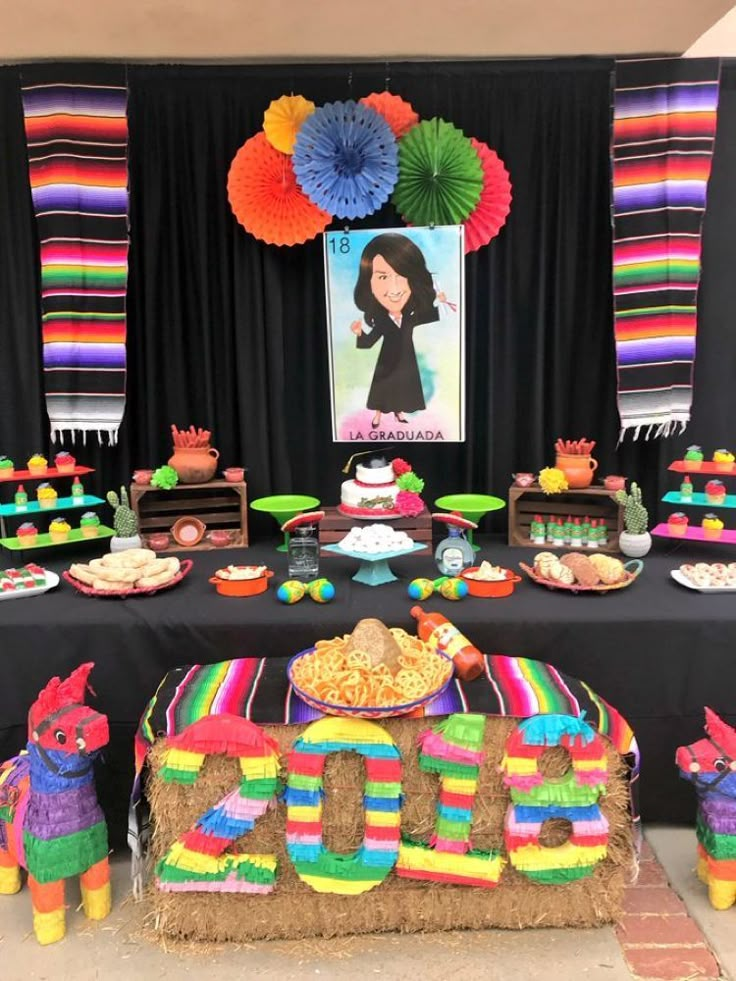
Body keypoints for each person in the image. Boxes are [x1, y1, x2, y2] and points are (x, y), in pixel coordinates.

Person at [350, 233, 441, 428]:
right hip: (387, 362)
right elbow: (368, 342)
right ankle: (377, 417)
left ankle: (399, 414)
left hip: (406, 361)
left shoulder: (410, 317)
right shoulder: (382, 320)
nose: (394, 287)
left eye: (402, 275)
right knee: (383, 390)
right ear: (369, 284)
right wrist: (359, 333)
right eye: (383, 276)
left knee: (400, 390)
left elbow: (431, 315)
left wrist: (439, 302)